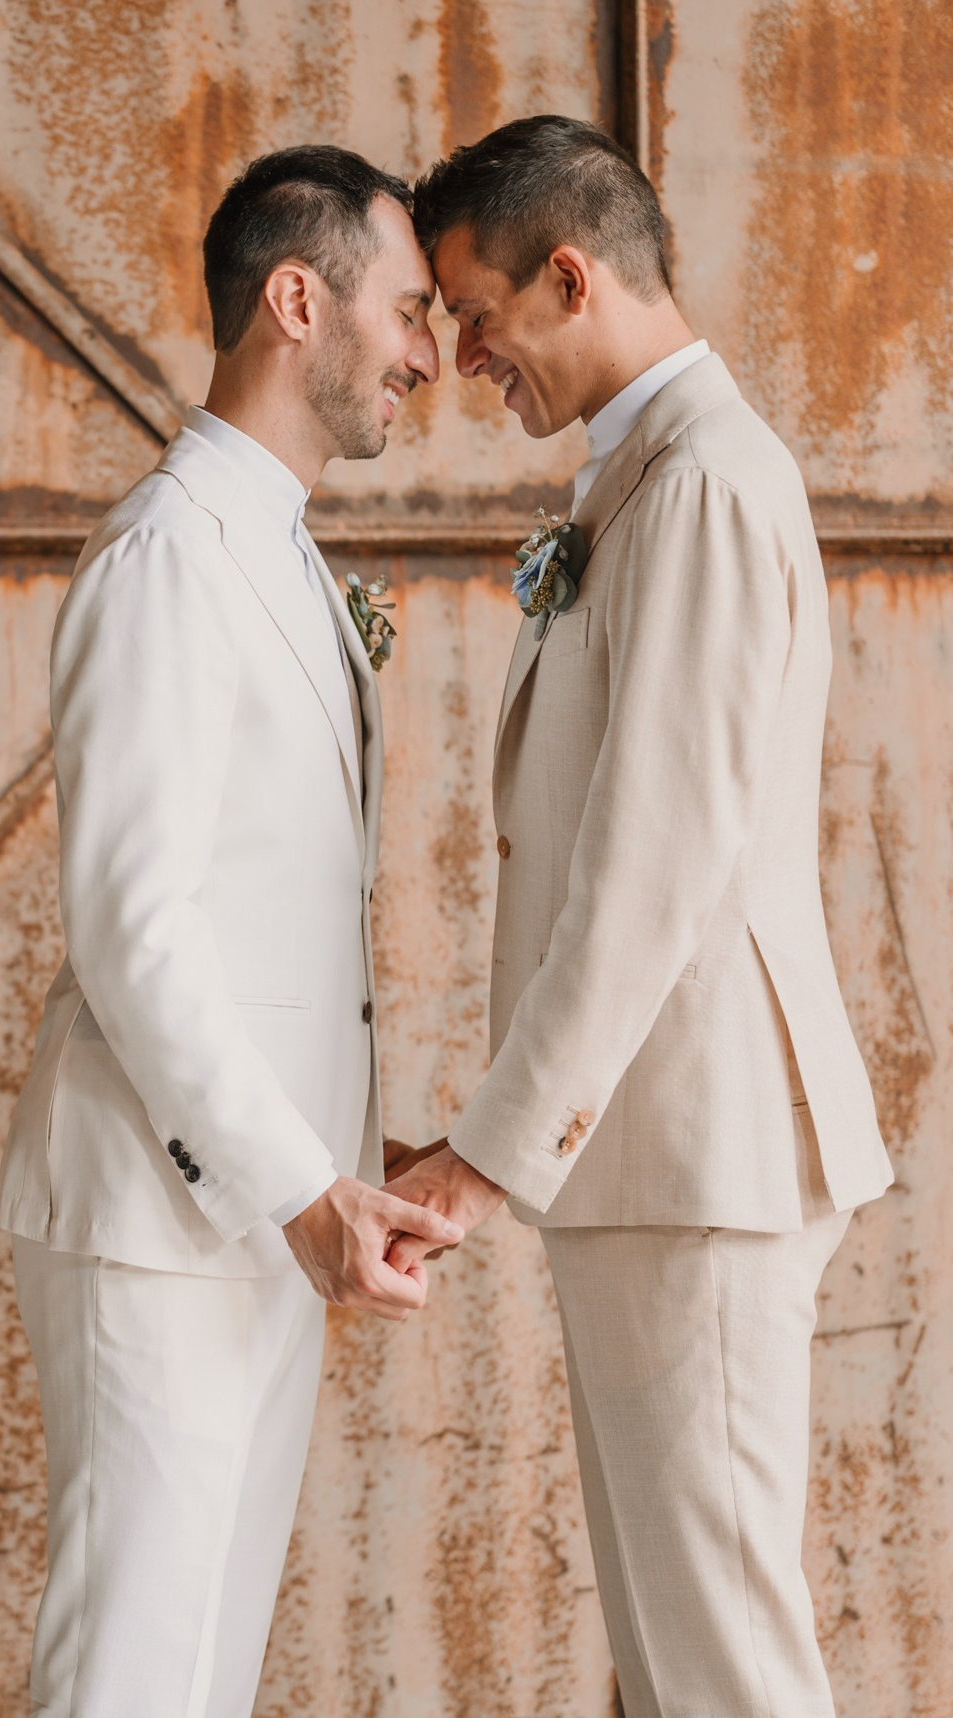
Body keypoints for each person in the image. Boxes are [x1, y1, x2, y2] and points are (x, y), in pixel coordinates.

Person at [387, 115, 893, 1716]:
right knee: (675, 1662)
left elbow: (650, 860)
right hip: (650, 1156)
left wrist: (488, 1150)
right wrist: (492, 1131)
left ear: (568, 274)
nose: (463, 357)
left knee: (723, 1665)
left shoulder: (702, 485)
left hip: (698, 1148)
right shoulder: (645, 475)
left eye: (475, 315)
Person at [0, 145, 456, 1718]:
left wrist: (340, 1160)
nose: (425, 354)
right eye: (406, 310)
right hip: (160, 1214)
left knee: (197, 1673)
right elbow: (134, 927)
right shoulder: (166, 553)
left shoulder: (279, 551)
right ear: (296, 301)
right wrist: (297, 1187)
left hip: (264, 1207)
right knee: (131, 1672)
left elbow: (269, 913)